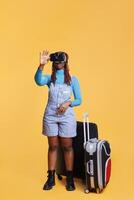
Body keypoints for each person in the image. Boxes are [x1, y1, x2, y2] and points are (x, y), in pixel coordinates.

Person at [34, 50, 82, 191]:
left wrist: (68, 104)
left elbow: (79, 99)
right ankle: (50, 178)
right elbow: (38, 81)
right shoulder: (50, 78)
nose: (59, 63)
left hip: (66, 117)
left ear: (66, 62)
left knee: (67, 146)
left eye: (61, 60)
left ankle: (70, 178)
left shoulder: (73, 79)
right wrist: (41, 65)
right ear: (54, 62)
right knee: (53, 146)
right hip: (51, 115)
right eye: (56, 61)